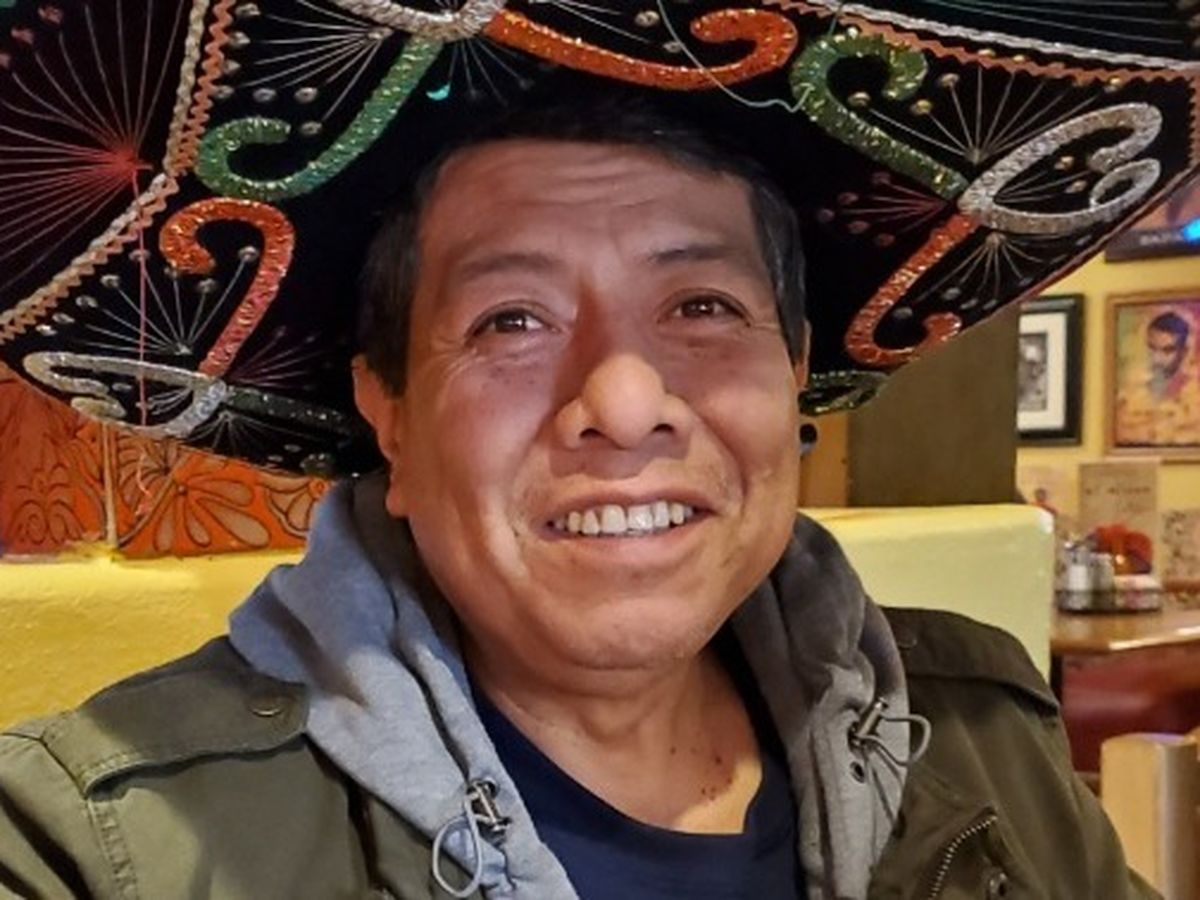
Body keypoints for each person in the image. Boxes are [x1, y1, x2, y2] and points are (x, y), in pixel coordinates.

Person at [0, 107, 1154, 900]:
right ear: (389, 415)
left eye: (702, 307)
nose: (626, 401)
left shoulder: (987, 739)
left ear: (795, 373)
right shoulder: (99, 845)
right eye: (512, 320)